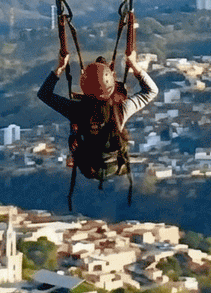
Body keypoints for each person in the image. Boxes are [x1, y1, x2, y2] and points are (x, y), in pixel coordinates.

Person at [38, 51, 157, 201]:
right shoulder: (121, 110)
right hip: (113, 164)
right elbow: (151, 91)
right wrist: (134, 65)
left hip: (89, 167)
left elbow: (44, 94)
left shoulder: (76, 110)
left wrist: (60, 67)